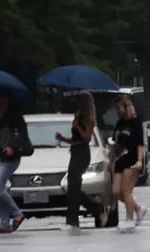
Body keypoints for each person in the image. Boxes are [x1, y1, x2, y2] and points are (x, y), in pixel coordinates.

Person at [57, 92, 105, 233]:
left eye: (79, 101)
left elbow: (86, 137)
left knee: (74, 186)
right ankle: (95, 208)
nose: (77, 103)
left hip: (82, 154)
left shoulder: (89, 118)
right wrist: (63, 139)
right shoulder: (78, 116)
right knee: (73, 187)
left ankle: (73, 220)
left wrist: (77, 126)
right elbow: (75, 140)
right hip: (75, 151)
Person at [0, 90, 28, 234]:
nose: (0, 101)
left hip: (11, 158)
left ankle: (17, 213)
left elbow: (23, 137)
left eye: (3, 97)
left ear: (8, 99)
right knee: (0, 190)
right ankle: (4, 223)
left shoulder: (15, 117)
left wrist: (13, 148)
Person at [111, 96, 147, 229]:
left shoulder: (136, 122)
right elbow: (116, 142)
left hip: (132, 159)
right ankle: (138, 208)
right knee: (116, 192)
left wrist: (139, 160)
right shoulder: (119, 124)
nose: (117, 111)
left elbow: (140, 143)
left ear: (126, 107)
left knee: (126, 191)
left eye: (119, 108)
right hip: (120, 160)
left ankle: (129, 219)